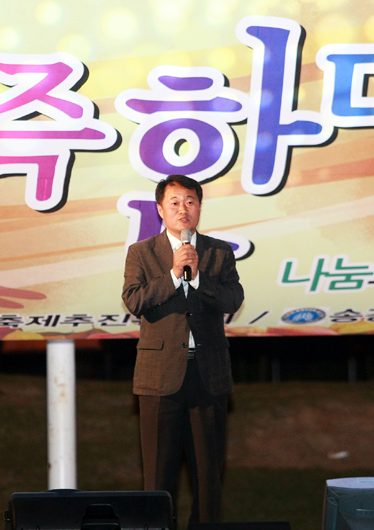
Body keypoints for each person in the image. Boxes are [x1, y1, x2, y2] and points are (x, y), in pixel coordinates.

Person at [121, 174, 244, 524]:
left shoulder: (219, 252)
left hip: (208, 376)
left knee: (208, 478)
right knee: (158, 478)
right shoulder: (142, 252)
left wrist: (199, 277)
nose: (183, 209)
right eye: (174, 202)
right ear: (160, 209)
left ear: (200, 207)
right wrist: (175, 275)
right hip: (159, 377)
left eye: (190, 201)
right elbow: (134, 300)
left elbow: (232, 299)